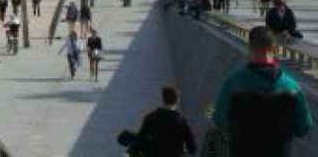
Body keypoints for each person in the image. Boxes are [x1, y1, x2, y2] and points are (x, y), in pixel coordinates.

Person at [213, 26, 313, 157]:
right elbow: (303, 128)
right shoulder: (292, 87)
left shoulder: (233, 83)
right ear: (274, 49)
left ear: (250, 48)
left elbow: (220, 120)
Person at [132, 86, 196, 157]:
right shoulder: (182, 121)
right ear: (177, 101)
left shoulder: (151, 117)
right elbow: (192, 149)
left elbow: (139, 141)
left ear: (163, 99)